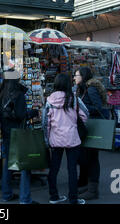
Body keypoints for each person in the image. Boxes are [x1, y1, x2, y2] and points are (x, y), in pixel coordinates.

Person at [43, 73, 88, 205]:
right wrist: (76, 124)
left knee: (54, 168)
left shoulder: (49, 100)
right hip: (72, 138)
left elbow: (46, 122)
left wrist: (47, 140)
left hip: (55, 139)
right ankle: (73, 198)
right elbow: (85, 114)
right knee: (72, 169)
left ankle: (53, 196)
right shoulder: (74, 99)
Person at [0, 73, 40, 204]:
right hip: (18, 133)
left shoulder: (2, 94)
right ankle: (25, 198)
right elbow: (21, 115)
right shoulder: (18, 94)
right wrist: (33, 112)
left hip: (6, 132)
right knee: (25, 166)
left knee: (8, 164)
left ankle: (6, 194)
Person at [74, 67, 108, 200]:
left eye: (76, 75)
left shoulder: (91, 89)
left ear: (83, 76)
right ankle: (87, 184)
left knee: (92, 158)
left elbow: (98, 107)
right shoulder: (82, 89)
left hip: (92, 126)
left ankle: (93, 189)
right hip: (86, 126)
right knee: (86, 156)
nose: (74, 77)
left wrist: (82, 108)